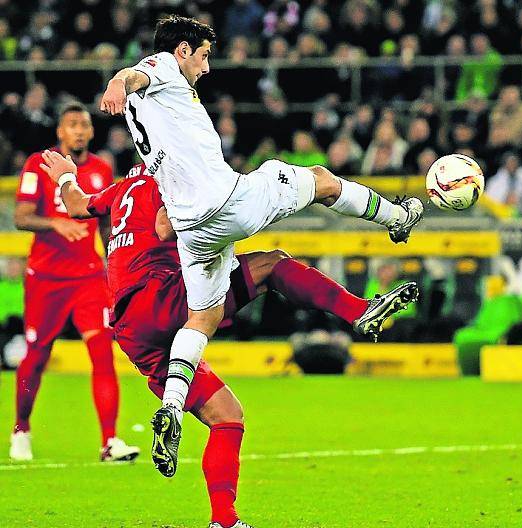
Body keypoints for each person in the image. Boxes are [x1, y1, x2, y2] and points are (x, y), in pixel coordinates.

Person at [98, 15, 424, 476]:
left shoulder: (146, 109)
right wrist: (117, 81)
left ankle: (171, 405)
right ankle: (398, 218)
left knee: (202, 316)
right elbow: (135, 75)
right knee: (322, 180)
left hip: (191, 228)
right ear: (183, 50)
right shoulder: (165, 68)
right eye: (205, 55)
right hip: (230, 201)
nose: (206, 68)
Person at [45, 154, 417, 528]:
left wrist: (65, 177)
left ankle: (223, 519)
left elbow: (77, 205)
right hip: (164, 294)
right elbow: (163, 226)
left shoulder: (122, 188)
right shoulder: (172, 176)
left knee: (227, 416)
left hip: (130, 327)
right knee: (272, 264)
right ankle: (358, 310)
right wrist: (228, 212)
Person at [11, 101, 139, 463]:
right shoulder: (39, 164)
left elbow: (104, 222)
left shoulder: (101, 169)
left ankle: (110, 441)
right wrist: (55, 223)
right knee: (36, 357)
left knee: (102, 353)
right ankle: (21, 427)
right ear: (60, 132)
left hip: (88, 277)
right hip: (46, 280)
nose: (79, 130)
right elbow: (21, 217)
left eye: (84, 124)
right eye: (71, 125)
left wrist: (116, 263)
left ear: (91, 131)